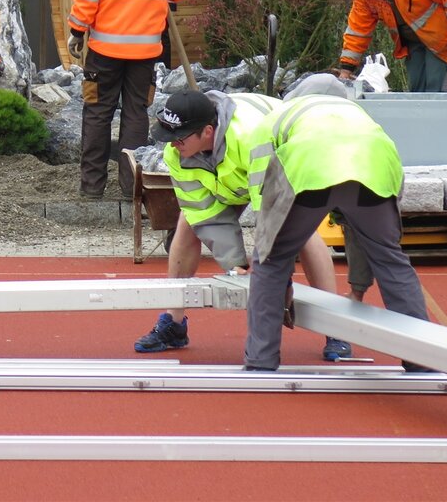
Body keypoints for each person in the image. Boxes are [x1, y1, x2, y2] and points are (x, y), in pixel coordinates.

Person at [133, 88, 352, 361]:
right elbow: (203, 213)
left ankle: (337, 328)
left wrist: (275, 280)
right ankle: (173, 323)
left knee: (300, 230)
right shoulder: (177, 153)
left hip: (284, 162)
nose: (172, 143)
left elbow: (272, 216)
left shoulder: (251, 138)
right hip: (233, 175)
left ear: (208, 131)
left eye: (178, 137)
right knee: (187, 223)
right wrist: (236, 266)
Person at [243, 93, 431, 372]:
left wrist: (271, 252)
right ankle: (422, 359)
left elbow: (262, 188)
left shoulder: (274, 117)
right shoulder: (355, 111)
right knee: (391, 260)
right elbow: (393, 177)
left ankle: (261, 360)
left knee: (270, 262)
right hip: (374, 165)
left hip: (310, 170)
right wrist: (366, 273)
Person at [67, 0, 193, 199]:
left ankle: (92, 188)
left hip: (103, 54)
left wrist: (77, 31)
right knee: (136, 115)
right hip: (146, 54)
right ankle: (132, 188)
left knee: (97, 113)